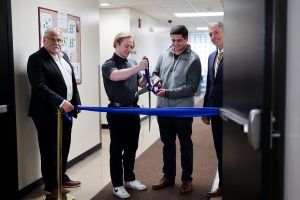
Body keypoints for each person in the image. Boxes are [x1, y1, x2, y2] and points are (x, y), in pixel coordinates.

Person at [27, 27, 81, 195]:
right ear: (44, 40)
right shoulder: (36, 59)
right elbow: (39, 86)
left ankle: (62, 177)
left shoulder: (63, 56)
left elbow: (71, 82)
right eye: (52, 39)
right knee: (49, 149)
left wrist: (75, 104)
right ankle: (51, 185)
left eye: (59, 40)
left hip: (65, 111)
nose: (56, 43)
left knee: (64, 145)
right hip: (46, 113)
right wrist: (61, 101)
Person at [151, 25, 202, 194]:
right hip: (163, 109)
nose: (175, 44)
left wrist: (168, 93)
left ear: (186, 39)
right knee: (168, 144)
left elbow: (192, 88)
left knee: (185, 144)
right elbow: (155, 72)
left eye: (179, 40)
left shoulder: (194, 59)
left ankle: (187, 179)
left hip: (183, 110)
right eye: (173, 40)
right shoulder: (163, 54)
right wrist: (157, 80)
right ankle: (168, 177)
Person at [101, 31, 148, 199]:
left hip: (133, 110)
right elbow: (116, 76)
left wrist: (150, 78)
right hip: (117, 112)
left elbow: (140, 81)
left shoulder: (132, 62)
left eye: (131, 46)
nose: (129, 49)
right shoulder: (109, 64)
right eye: (126, 45)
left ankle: (129, 179)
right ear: (117, 44)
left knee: (131, 147)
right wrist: (137, 68)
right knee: (116, 150)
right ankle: (117, 185)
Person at [201, 21, 224, 198]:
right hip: (215, 112)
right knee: (220, 150)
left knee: (234, 151)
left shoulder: (240, 54)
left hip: (232, 114)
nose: (212, 37)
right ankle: (223, 185)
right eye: (209, 34)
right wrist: (206, 110)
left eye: (215, 32)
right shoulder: (211, 56)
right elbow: (210, 84)